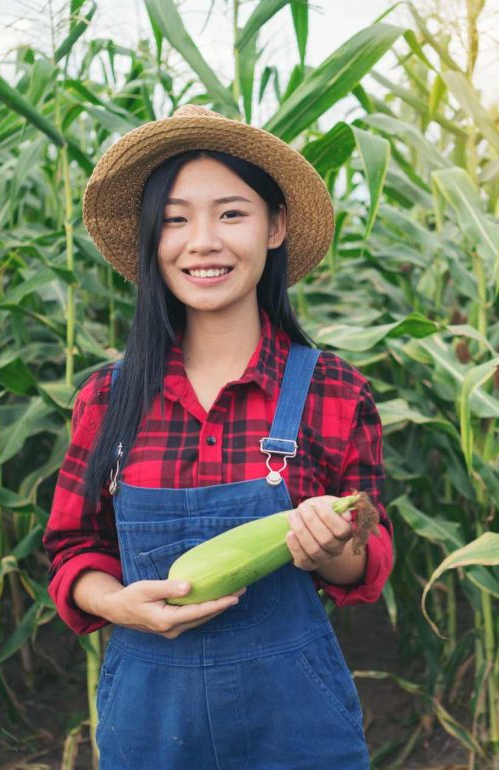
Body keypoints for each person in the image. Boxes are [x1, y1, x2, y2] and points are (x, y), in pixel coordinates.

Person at [42, 104, 394, 769]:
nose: (201, 242)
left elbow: (367, 557)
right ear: (151, 240)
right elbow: (72, 549)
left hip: (294, 728)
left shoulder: (334, 390)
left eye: (231, 214)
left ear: (275, 226)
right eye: (175, 219)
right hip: (151, 727)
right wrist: (119, 604)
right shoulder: (107, 398)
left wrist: (331, 547)